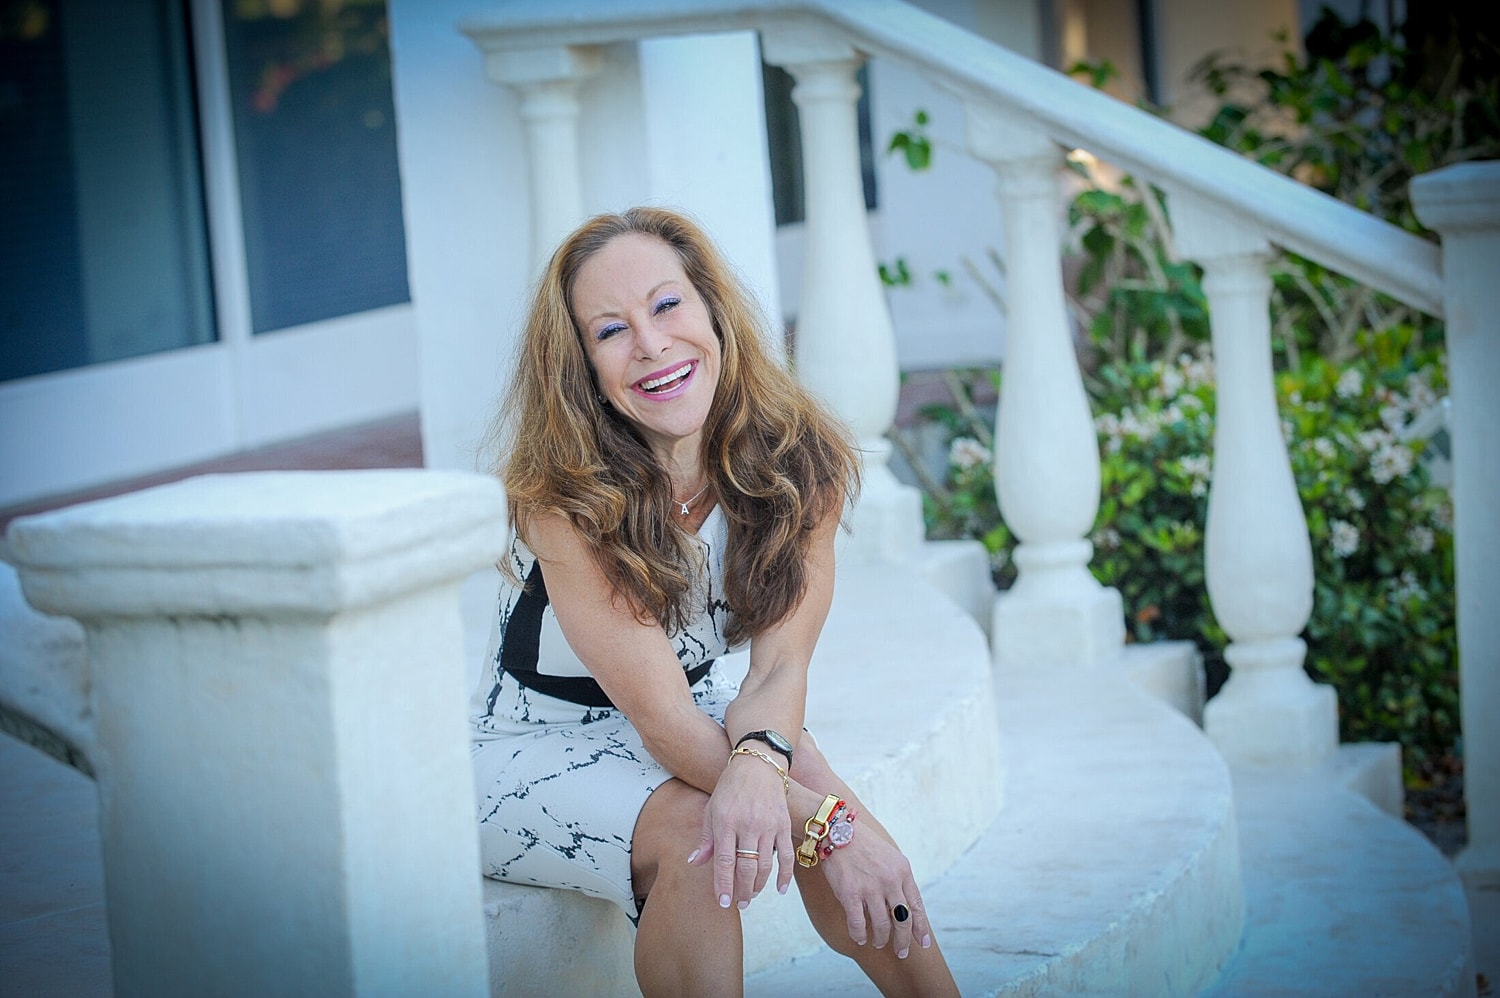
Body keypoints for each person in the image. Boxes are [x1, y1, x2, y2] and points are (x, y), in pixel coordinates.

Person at [471, 206, 960, 996]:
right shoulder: (563, 501)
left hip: (699, 709)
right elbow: (660, 717)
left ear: (711, 310)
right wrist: (832, 830)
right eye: (609, 331)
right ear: (582, 369)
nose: (652, 344)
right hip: (530, 743)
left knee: (808, 772)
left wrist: (794, 787)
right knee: (714, 833)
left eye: (667, 305)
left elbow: (778, 670)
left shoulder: (802, 460)